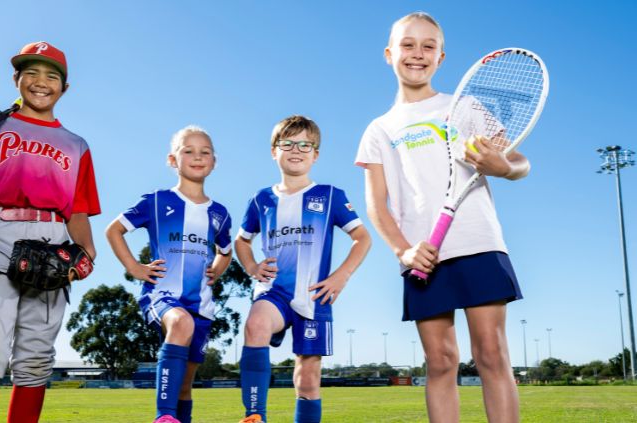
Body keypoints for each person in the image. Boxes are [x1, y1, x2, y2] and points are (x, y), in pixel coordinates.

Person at [355, 12, 528, 423]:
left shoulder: (464, 107)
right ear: (388, 54)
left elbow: (518, 161)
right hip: (424, 256)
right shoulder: (379, 129)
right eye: (408, 44)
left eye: (428, 45)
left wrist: (502, 167)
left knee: (491, 353)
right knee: (440, 360)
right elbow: (377, 204)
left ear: (442, 57)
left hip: (478, 242)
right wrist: (404, 250)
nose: (418, 53)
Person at [0, 41, 100, 422]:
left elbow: (78, 211)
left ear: (65, 88)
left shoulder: (77, 145)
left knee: (35, 357)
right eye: (30, 72)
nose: (40, 81)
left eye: (52, 75)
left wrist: (87, 255)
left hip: (54, 237)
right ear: (16, 78)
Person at [237, 115, 371, 423]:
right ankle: (254, 415)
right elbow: (242, 241)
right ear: (274, 151)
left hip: (314, 295)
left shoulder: (330, 196)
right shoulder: (261, 199)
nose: (296, 150)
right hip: (275, 291)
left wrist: (341, 275)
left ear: (316, 154)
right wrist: (252, 265)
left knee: (308, 378)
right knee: (255, 325)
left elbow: (362, 238)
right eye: (287, 143)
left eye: (305, 144)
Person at [105, 126, 232, 423]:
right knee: (180, 322)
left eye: (205, 152)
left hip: (201, 304)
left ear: (214, 161)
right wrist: (134, 267)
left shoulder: (220, 213)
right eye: (188, 151)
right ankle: (163, 417)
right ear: (173, 160)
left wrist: (216, 270)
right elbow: (114, 230)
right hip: (162, 295)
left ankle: (175, 415)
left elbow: (225, 251)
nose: (197, 157)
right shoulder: (157, 201)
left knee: (184, 387)